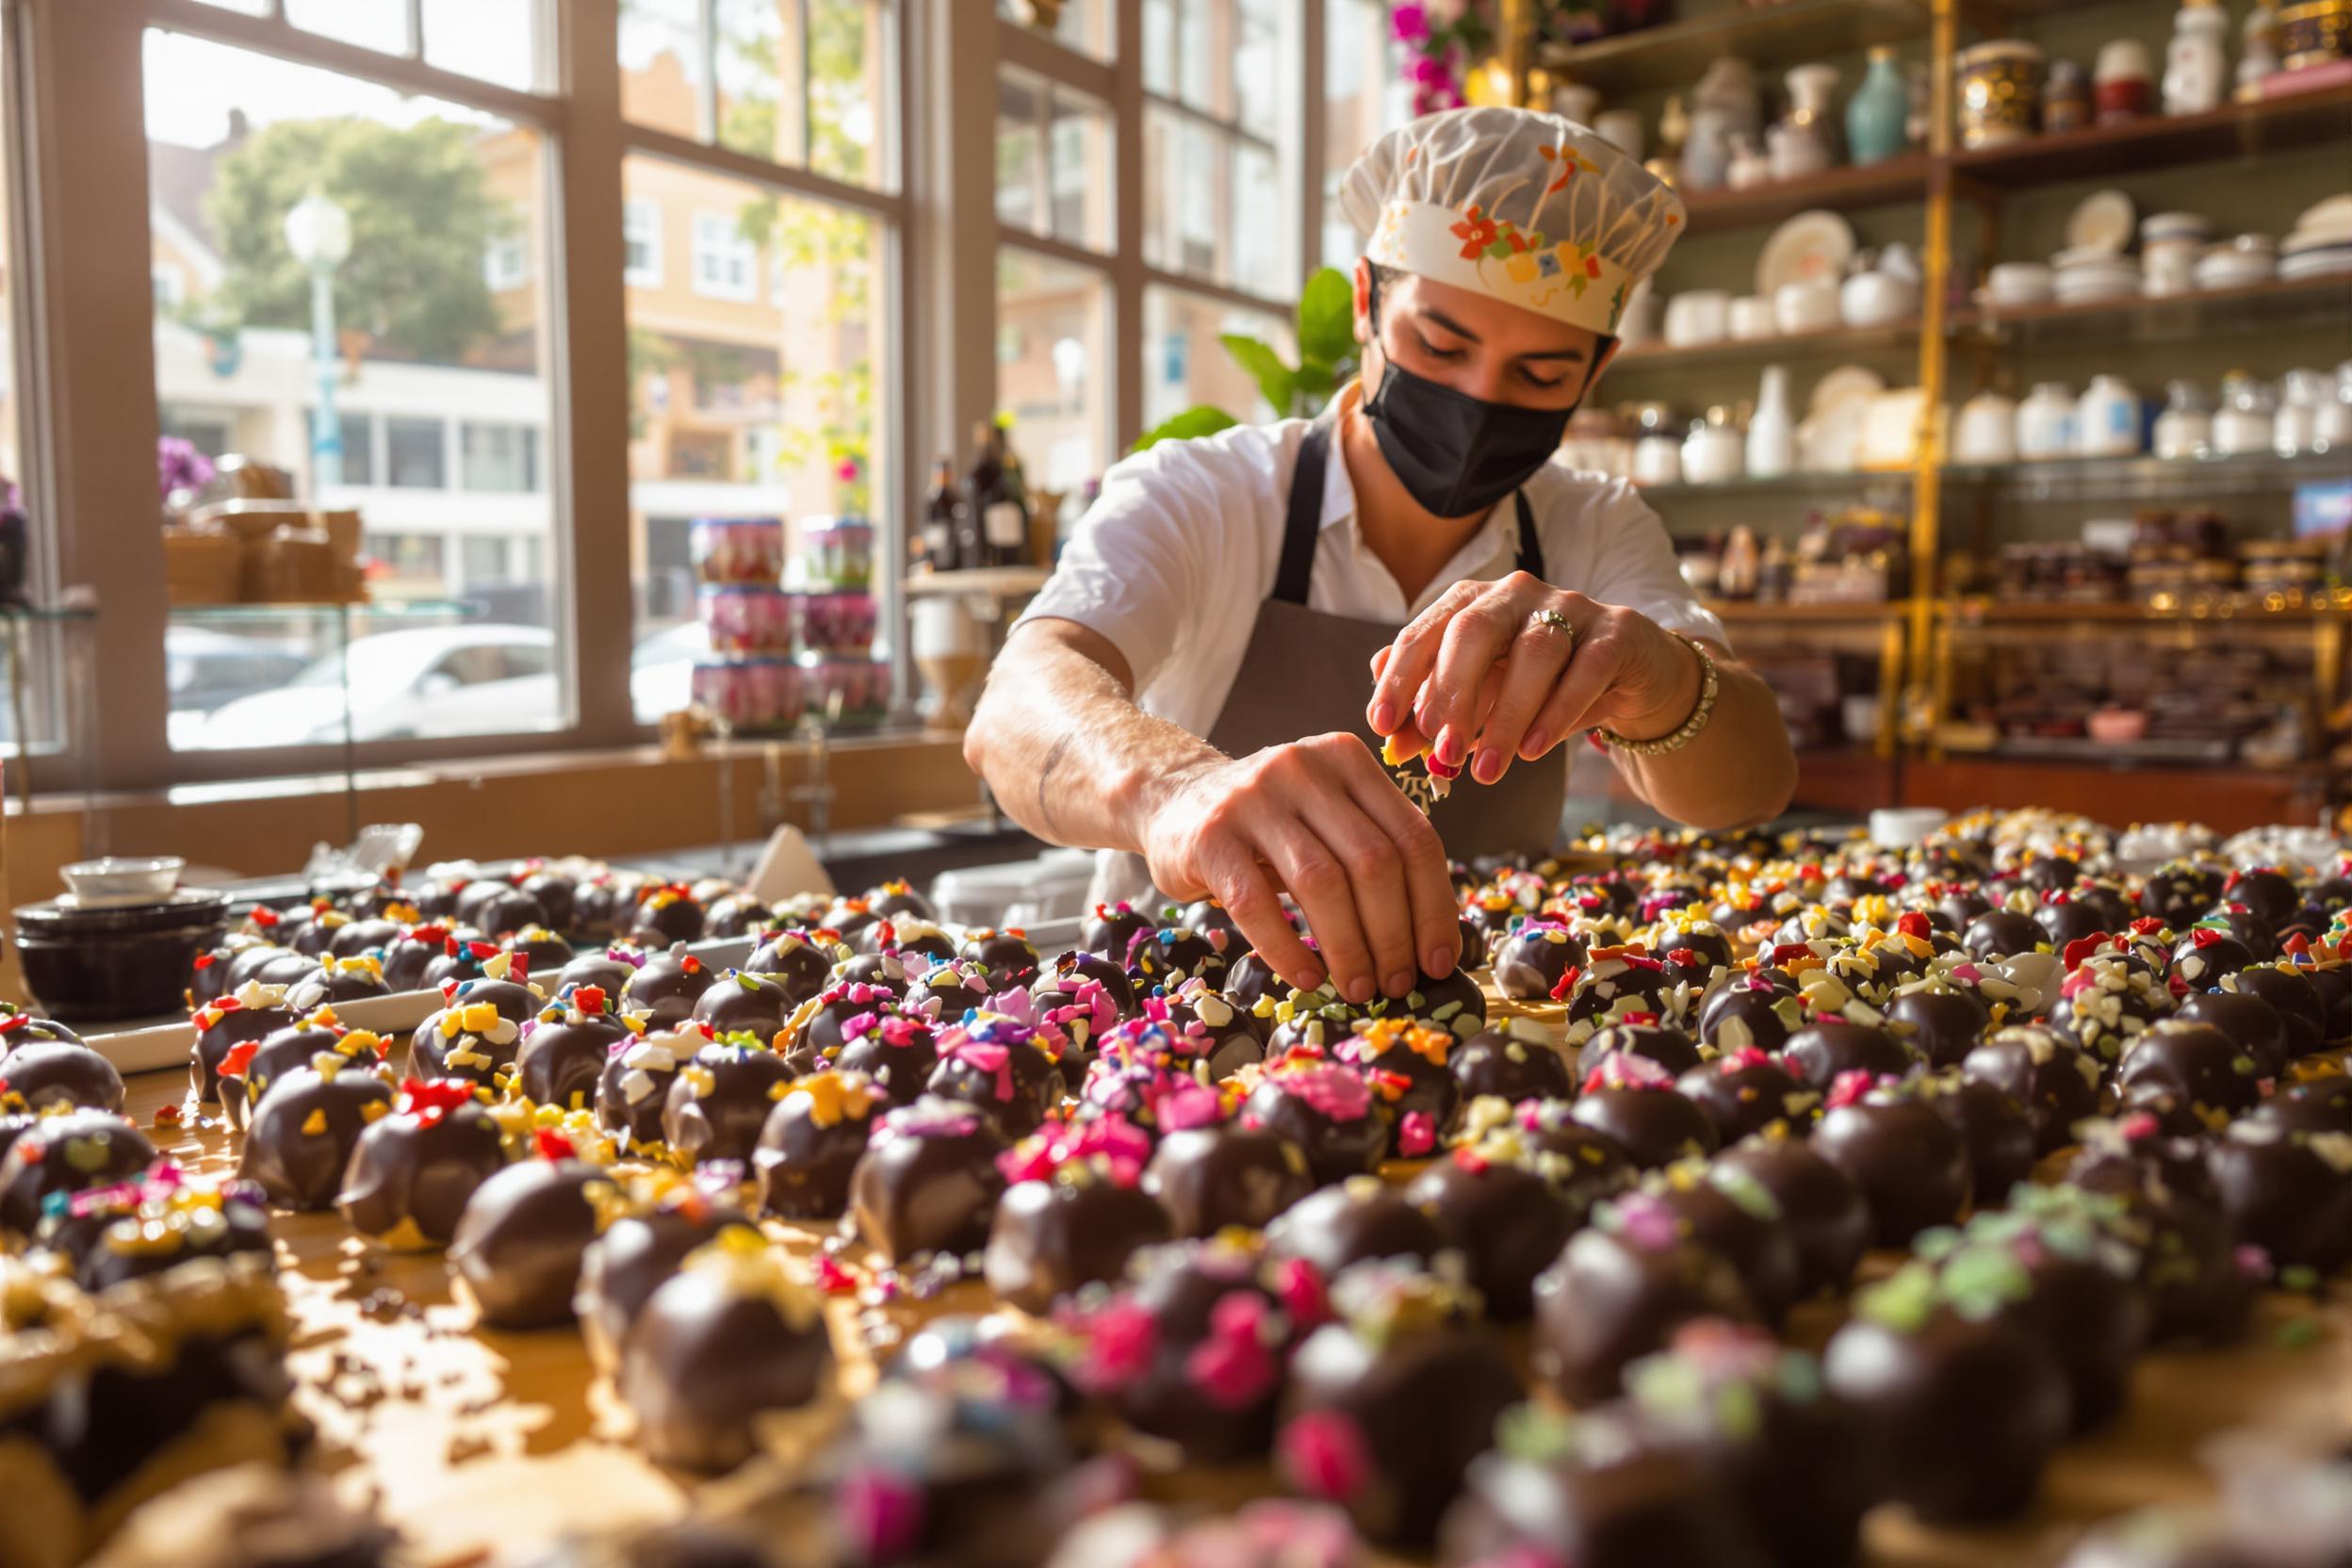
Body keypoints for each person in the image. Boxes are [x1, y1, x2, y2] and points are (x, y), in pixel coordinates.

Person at [964, 106, 1796, 1006]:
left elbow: (1751, 785)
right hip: (1186, 1011)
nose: (1480, 401)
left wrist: (1665, 684)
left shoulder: (1594, 529)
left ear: (1596, 374)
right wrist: (1174, 790)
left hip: (1493, 1016)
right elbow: (1016, 704)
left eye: (1542, 376)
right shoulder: (1206, 494)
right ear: (1365, 301)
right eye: (1440, 344)